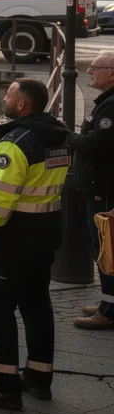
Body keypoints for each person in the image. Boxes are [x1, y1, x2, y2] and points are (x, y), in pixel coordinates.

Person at [0, 79, 68, 410]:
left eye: (9, 94)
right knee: (37, 305)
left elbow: (0, 202)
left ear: (22, 105)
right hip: (45, 235)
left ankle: (2, 385)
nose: (4, 98)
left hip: (12, 240)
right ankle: (38, 378)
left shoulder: (15, 143)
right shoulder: (58, 138)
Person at [68, 52, 114, 331]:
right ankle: (108, 302)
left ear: (111, 73)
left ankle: (108, 311)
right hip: (99, 186)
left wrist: (68, 136)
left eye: (95, 69)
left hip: (104, 189)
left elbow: (95, 143)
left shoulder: (109, 108)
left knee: (105, 247)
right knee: (104, 247)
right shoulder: (105, 104)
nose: (90, 73)